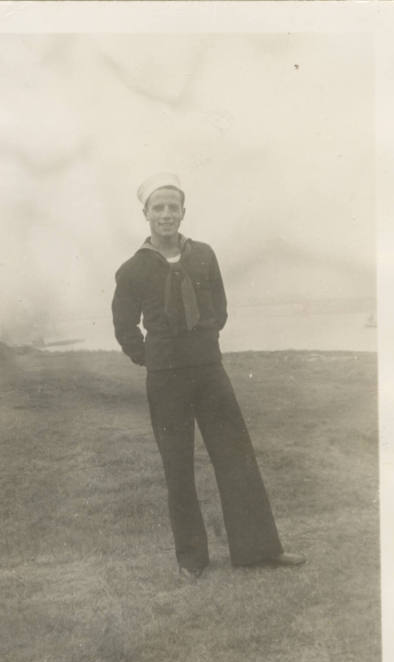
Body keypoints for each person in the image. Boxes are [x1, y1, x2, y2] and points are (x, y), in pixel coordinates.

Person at [112, 172, 305, 578]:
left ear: (183, 211)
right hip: (165, 377)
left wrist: (203, 340)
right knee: (177, 465)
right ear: (145, 214)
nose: (166, 214)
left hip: (208, 370)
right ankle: (192, 560)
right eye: (158, 207)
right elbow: (125, 326)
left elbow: (219, 307)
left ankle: (258, 549)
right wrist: (149, 356)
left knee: (236, 456)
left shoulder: (203, 255)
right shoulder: (132, 269)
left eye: (173, 206)